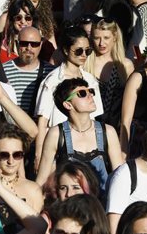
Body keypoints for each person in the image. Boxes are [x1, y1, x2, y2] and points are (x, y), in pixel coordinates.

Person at [35, 78, 123, 191]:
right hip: (70, 204)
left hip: (100, 204)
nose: (90, 95)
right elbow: (42, 180)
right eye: (82, 93)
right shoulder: (56, 134)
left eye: (91, 91)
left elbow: (119, 177)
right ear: (68, 105)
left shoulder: (108, 131)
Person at [34, 27, 104, 169]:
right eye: (78, 51)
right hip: (57, 147)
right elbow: (42, 123)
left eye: (87, 51)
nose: (84, 55)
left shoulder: (90, 80)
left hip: (88, 148)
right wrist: (39, 155)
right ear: (66, 50)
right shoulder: (52, 81)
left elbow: (95, 118)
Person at [84, 19, 134, 129]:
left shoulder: (125, 65)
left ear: (115, 37)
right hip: (89, 126)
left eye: (106, 38)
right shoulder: (85, 63)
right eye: (97, 38)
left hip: (117, 127)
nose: (101, 43)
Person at [1, 26, 55, 117]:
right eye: (24, 43)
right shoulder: (3, 70)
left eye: (34, 44)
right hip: (9, 129)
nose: (29, 48)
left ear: (41, 45)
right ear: (17, 44)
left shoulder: (50, 72)